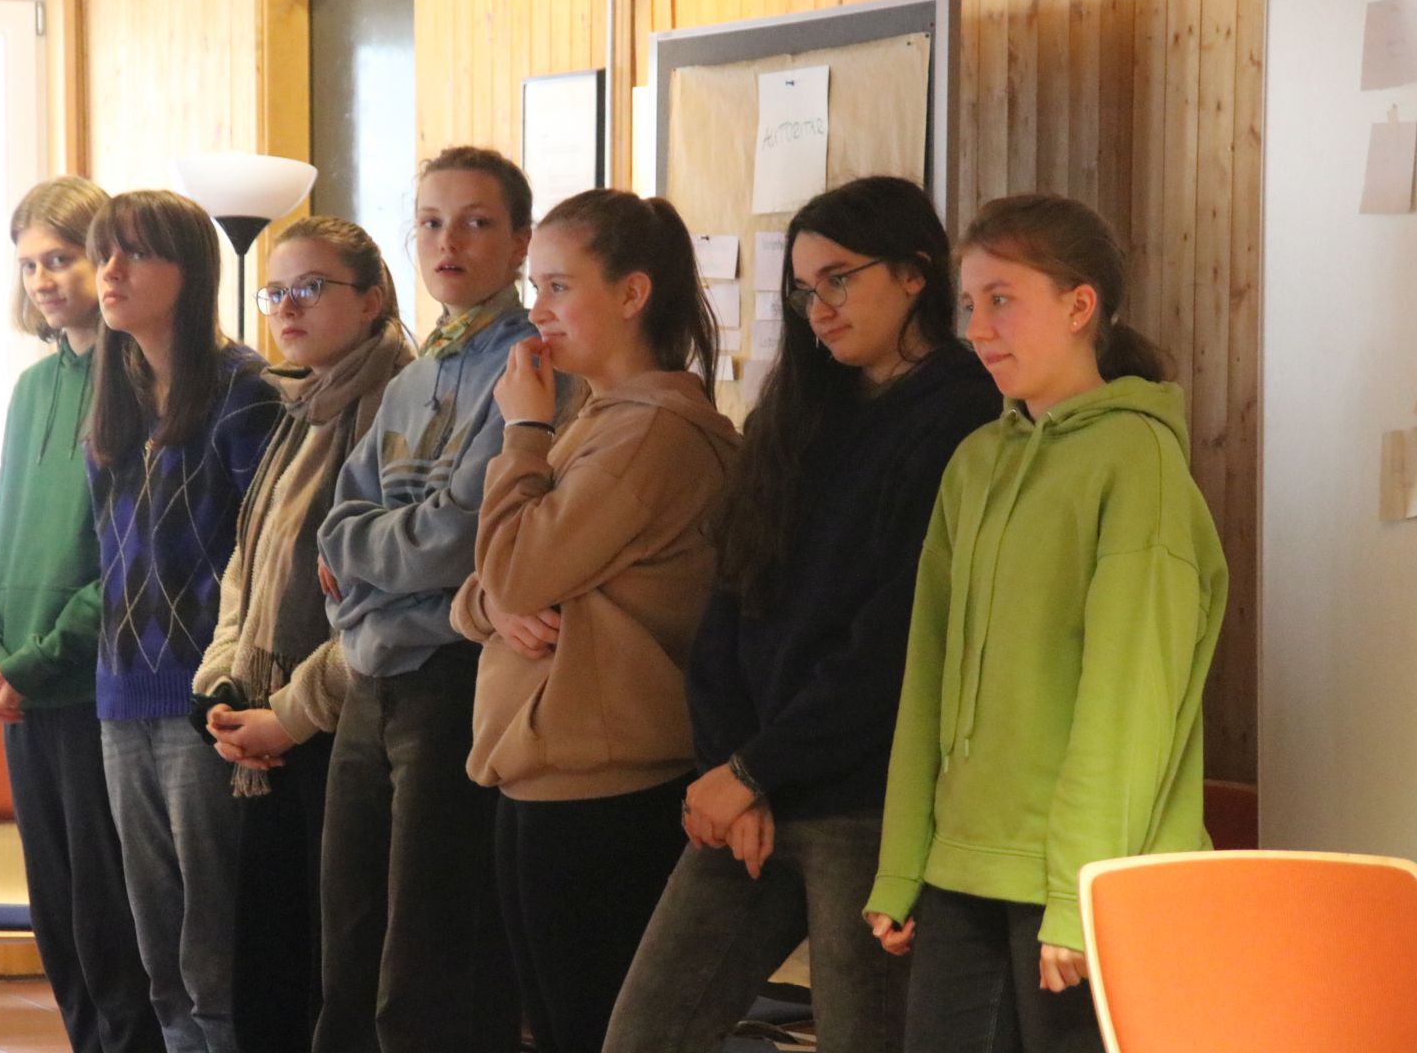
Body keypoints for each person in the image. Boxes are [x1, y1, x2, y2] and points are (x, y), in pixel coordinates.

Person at [604, 176, 1002, 1053]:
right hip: (751, 786)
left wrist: (757, 767)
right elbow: (730, 600)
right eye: (802, 288)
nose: (818, 308)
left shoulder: (966, 412)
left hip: (866, 802)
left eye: (839, 280)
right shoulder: (801, 406)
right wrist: (728, 767)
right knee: (642, 1033)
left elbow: (899, 639)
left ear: (914, 274)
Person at [863, 193, 1229, 1053]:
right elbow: (927, 675)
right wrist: (903, 862)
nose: (978, 329)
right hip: (962, 866)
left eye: (1002, 300)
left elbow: (1127, 705)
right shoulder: (974, 462)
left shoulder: (1136, 460)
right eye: (968, 304)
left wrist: (1078, 891)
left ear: (1078, 306)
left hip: (1080, 880)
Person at [452, 188, 740, 1053]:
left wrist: (523, 430)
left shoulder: (651, 432)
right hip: (541, 770)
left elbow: (515, 566)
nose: (537, 312)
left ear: (632, 294)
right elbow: (486, 588)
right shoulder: (598, 421)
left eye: (558, 287)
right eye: (534, 288)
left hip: (605, 786)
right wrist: (496, 603)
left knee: (590, 1028)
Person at [311, 146, 564, 1053]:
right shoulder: (414, 376)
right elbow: (333, 531)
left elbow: (462, 538)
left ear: (521, 243)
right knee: (347, 950)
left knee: (430, 964)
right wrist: (380, 577)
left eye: (475, 223)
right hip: (370, 680)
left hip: (457, 680)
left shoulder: (534, 366)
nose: (447, 242)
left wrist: (377, 578)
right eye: (429, 222)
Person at [192, 216, 415, 1052]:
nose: (287, 307)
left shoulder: (400, 405)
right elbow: (246, 568)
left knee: (335, 979)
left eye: (311, 288)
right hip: (266, 727)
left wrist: (288, 713)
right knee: (270, 974)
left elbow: (384, 596)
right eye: (275, 292)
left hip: (345, 724)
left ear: (372, 298)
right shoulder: (300, 405)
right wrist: (222, 685)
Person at [0, 175, 162, 1053]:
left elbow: (124, 561)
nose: (44, 279)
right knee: (59, 921)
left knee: (108, 920)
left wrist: (35, 661)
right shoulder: (33, 389)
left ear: (107, 260)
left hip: (94, 689)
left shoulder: (140, 381)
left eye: (62, 259)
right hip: (21, 692)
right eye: (30, 264)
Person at [85, 189, 281, 1053]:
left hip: (208, 697)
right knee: (158, 947)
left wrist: (233, 687)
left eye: (135, 253)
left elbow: (266, 561)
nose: (110, 271)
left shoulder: (244, 392)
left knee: (215, 948)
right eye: (105, 252)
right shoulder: (118, 394)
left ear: (190, 270)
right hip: (120, 695)